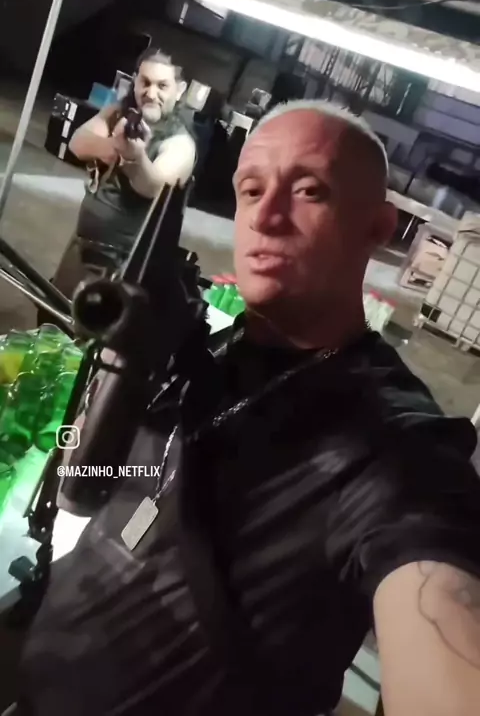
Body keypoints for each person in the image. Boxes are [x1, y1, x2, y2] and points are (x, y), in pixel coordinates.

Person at [20, 100, 480, 716]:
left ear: (377, 227)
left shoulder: (394, 443)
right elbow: (92, 480)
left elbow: (433, 582)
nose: (266, 216)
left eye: (309, 190)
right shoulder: (207, 350)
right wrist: (123, 382)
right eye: (252, 189)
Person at [41, 48, 196, 311]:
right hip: (81, 245)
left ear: (179, 90)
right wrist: (116, 146)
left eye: (162, 86)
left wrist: (135, 157)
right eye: (145, 82)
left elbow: (153, 188)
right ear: (135, 81)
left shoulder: (180, 143)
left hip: (121, 263)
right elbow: (78, 142)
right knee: (52, 314)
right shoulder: (118, 113)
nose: (151, 93)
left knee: (93, 326)